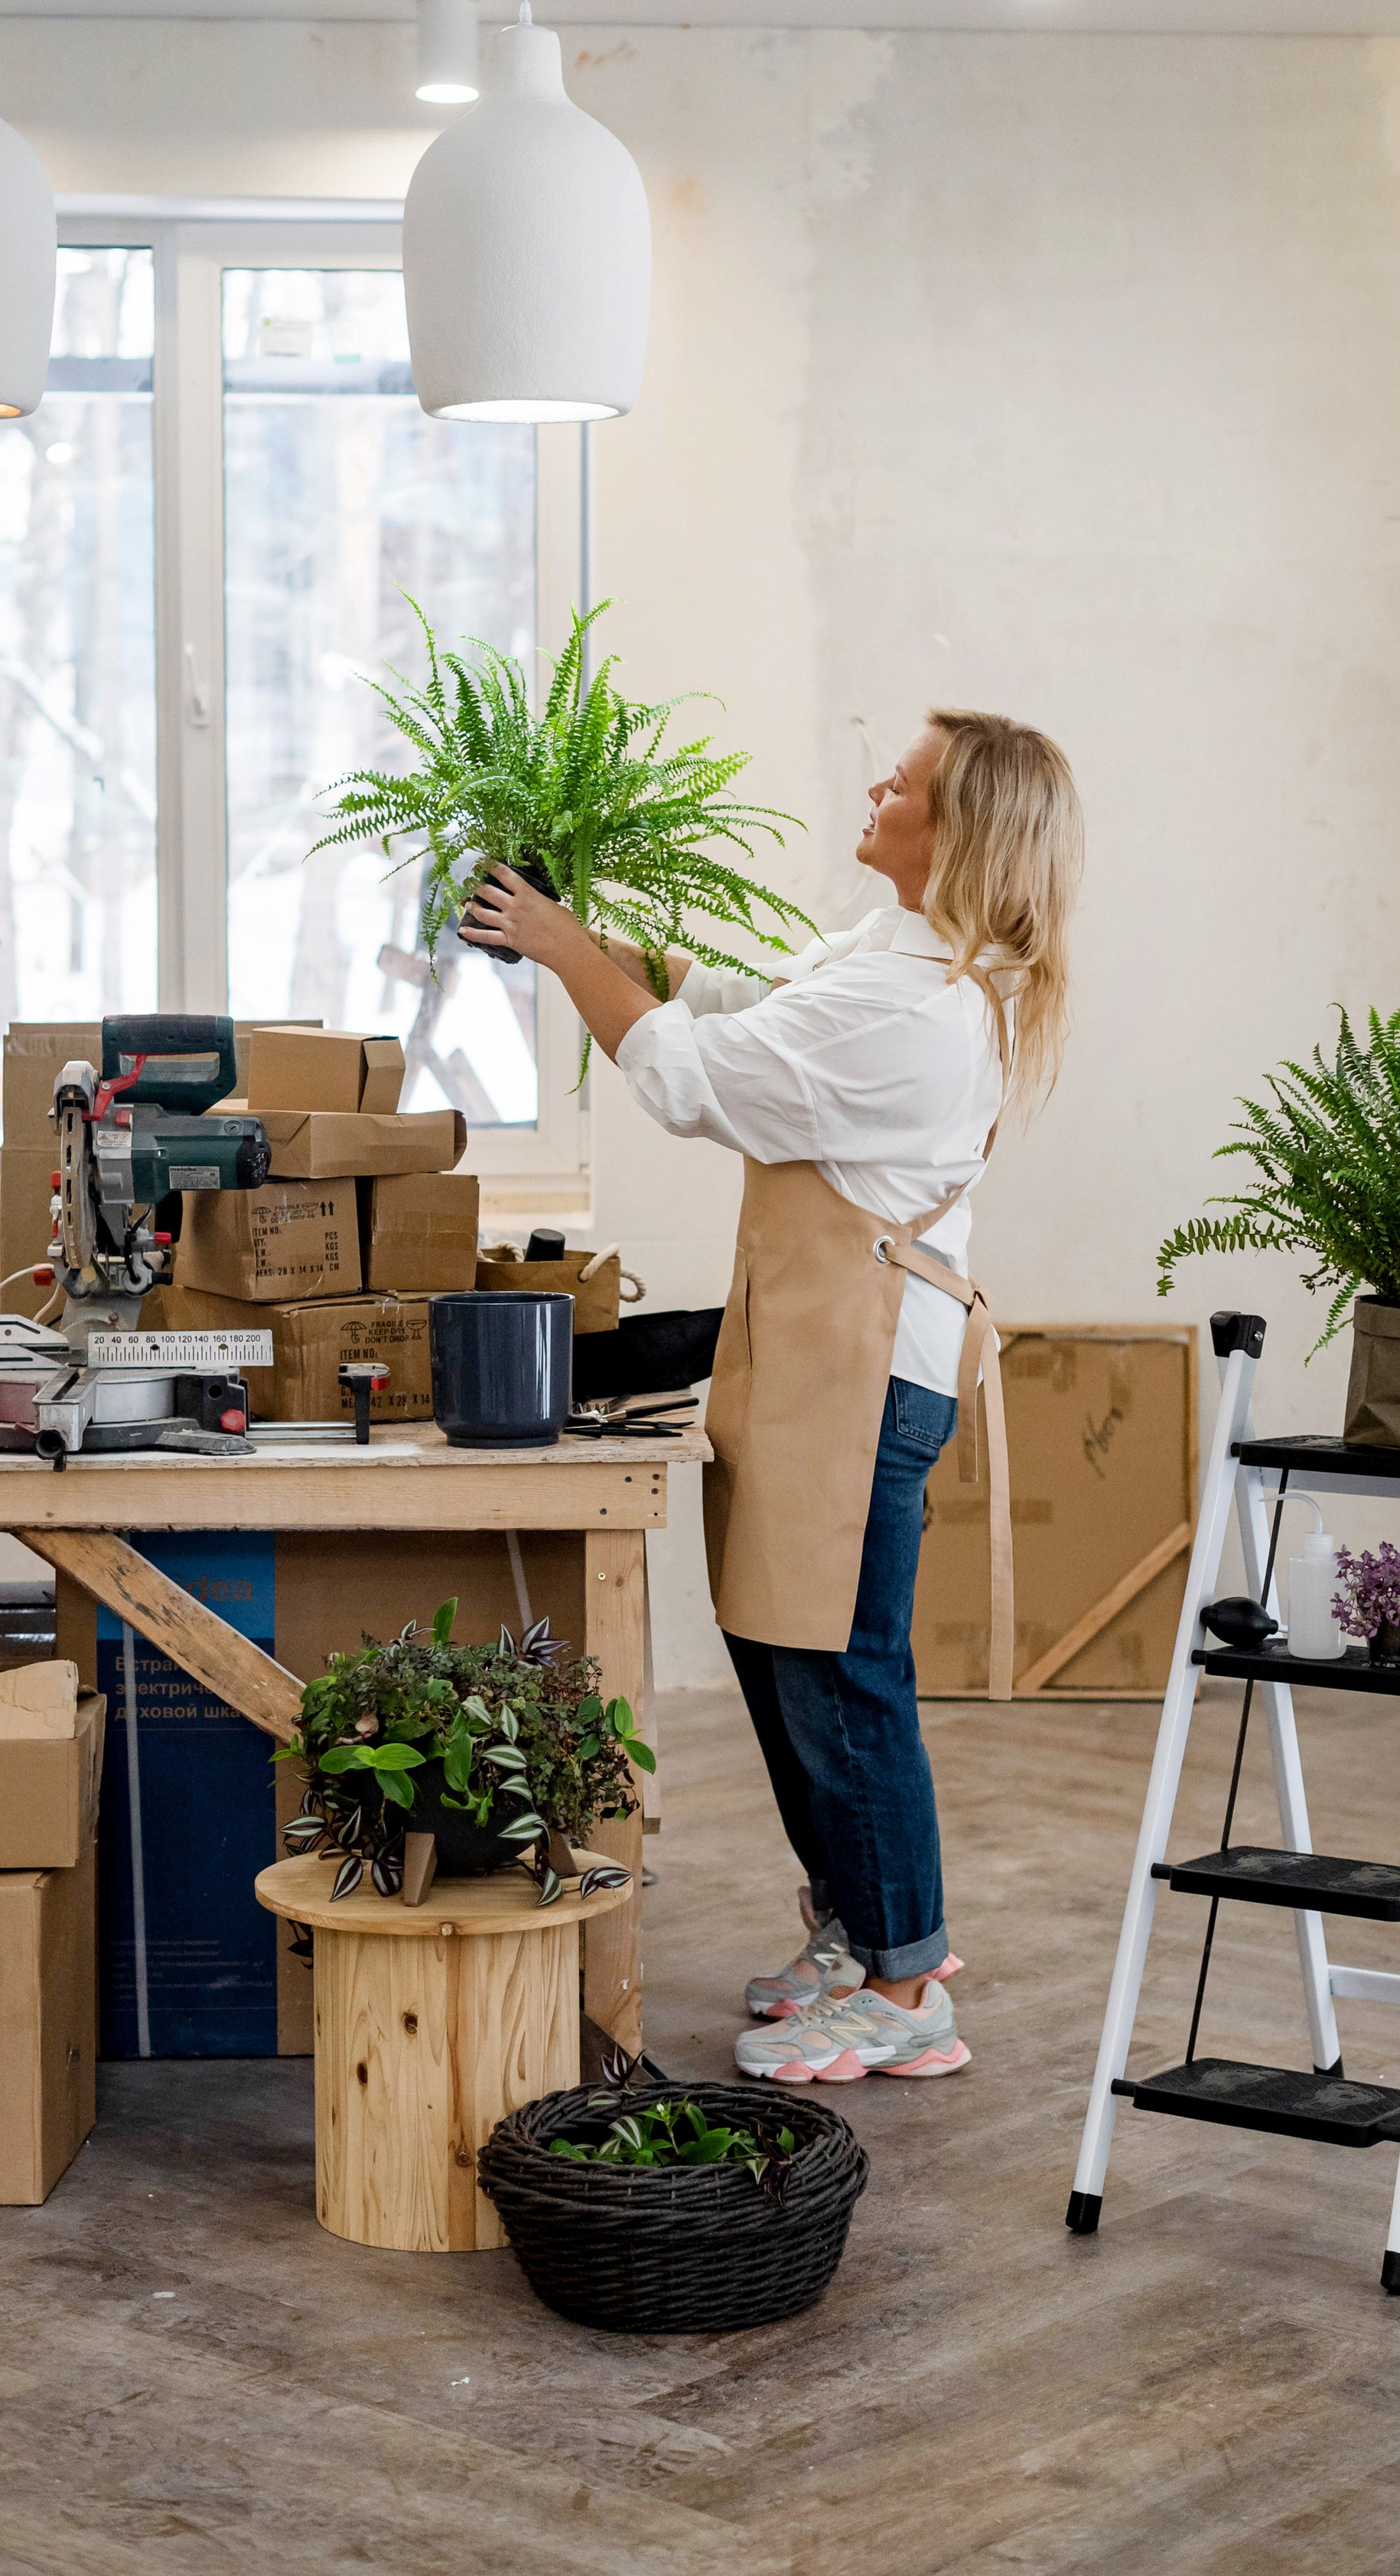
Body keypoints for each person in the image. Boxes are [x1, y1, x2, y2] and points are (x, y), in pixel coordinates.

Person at [460, 709, 1082, 2083]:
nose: (878, 785)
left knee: (846, 1678)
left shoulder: (915, 1012)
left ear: (958, 831)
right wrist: (592, 932)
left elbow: (689, 1077)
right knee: (784, 1654)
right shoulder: (888, 958)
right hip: (811, 1362)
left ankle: (912, 1985)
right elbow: (740, 1003)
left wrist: (559, 949)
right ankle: (859, 1933)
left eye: (904, 784)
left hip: (862, 1378)